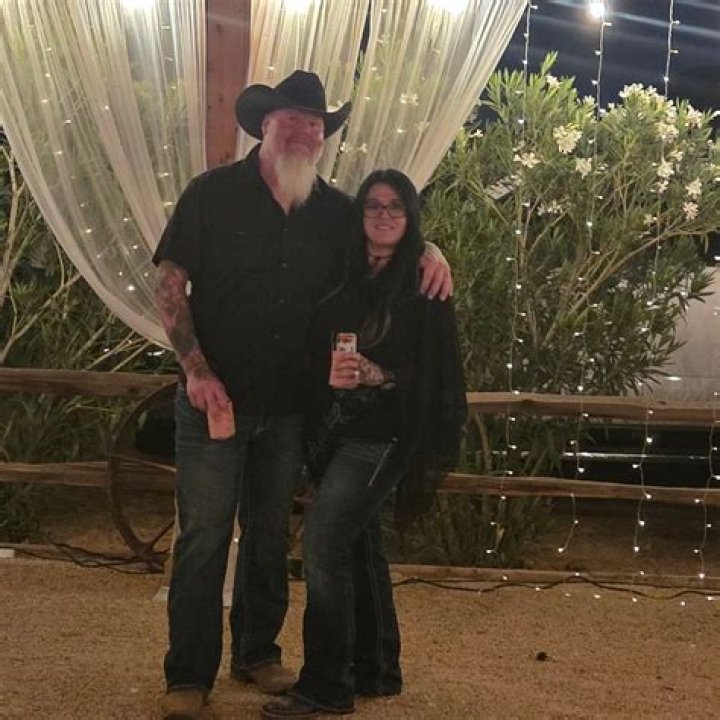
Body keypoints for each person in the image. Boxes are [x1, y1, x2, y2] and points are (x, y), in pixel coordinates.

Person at [153, 71, 453, 720]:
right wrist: (196, 370)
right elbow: (170, 282)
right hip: (214, 400)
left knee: (268, 536)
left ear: (323, 137)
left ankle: (257, 653)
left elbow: (388, 236)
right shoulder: (211, 193)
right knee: (204, 538)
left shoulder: (336, 213)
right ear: (265, 125)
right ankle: (188, 674)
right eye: (292, 119)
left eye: (315, 124)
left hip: (292, 408)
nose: (304, 132)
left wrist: (431, 248)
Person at [262, 169, 467, 719]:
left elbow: (438, 373)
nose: (383, 215)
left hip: (385, 435)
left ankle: (326, 686)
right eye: (373, 205)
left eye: (395, 207)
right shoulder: (343, 272)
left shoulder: (422, 284)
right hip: (336, 431)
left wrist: (380, 374)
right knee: (359, 545)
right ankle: (377, 669)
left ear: (410, 216)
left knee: (323, 545)